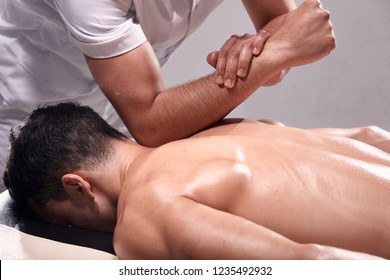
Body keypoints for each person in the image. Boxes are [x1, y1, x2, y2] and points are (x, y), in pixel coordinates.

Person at [0, 0, 336, 192]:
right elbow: (151, 121)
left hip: (120, 110)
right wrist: (273, 53)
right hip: (21, 108)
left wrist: (261, 50)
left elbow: (285, 26)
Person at [4, 103, 390, 260]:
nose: (76, 229)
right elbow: (372, 136)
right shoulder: (226, 129)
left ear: (77, 186)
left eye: (67, 221)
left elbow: (318, 266)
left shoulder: (144, 214)